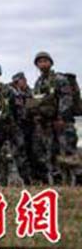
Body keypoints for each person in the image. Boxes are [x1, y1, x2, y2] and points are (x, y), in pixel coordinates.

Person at [33, 51, 79, 185]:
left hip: (63, 122)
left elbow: (67, 99)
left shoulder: (59, 79)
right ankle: (58, 181)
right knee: (51, 153)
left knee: (69, 151)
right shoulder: (38, 83)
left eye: (45, 61)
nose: (42, 64)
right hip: (47, 124)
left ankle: (78, 180)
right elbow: (37, 102)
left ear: (50, 63)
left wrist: (61, 117)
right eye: (39, 61)